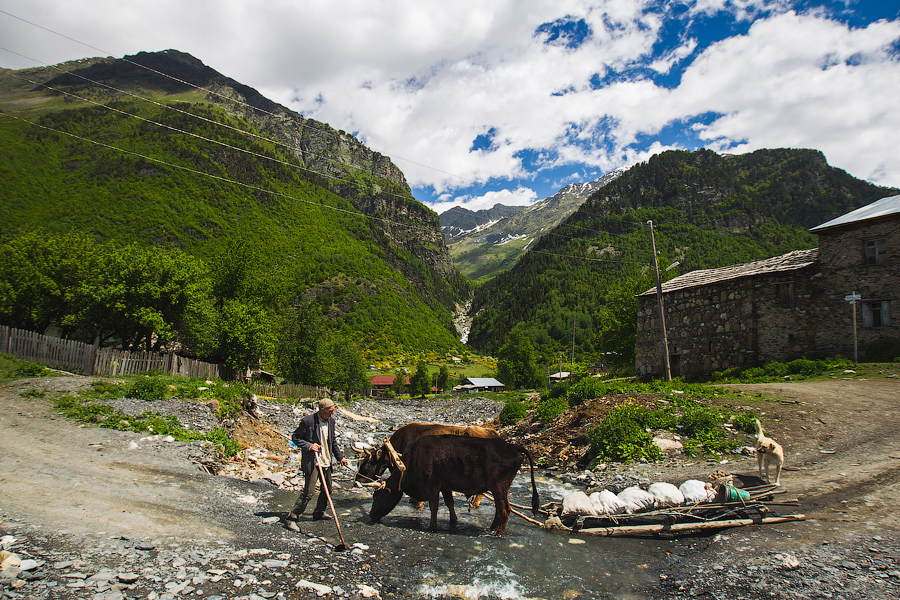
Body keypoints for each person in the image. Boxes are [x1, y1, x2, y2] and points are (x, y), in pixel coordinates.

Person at [284, 398, 347, 532]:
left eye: (333, 411)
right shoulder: (308, 421)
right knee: (308, 492)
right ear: (322, 410)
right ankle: (292, 518)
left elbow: (333, 441)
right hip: (313, 461)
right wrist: (309, 445)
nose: (332, 414)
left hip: (326, 461)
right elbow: (295, 437)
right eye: (330, 411)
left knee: (328, 490)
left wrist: (340, 457)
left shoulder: (331, 421)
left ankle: (318, 512)